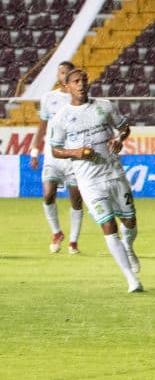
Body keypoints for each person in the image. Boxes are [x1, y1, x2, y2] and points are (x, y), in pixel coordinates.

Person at [47, 69, 142, 293]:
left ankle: (128, 246)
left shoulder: (105, 106)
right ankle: (131, 279)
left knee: (130, 222)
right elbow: (55, 149)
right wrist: (77, 152)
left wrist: (119, 139)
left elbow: (124, 128)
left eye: (84, 80)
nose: (81, 84)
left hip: (114, 173)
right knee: (108, 226)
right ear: (68, 86)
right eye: (76, 81)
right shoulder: (61, 117)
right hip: (88, 181)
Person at [30, 60, 85, 254]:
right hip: (52, 155)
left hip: (73, 157)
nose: (61, 76)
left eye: (65, 73)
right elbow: (42, 127)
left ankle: (73, 241)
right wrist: (35, 150)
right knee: (48, 194)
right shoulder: (48, 98)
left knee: (76, 200)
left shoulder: (79, 99)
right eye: (60, 72)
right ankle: (56, 232)